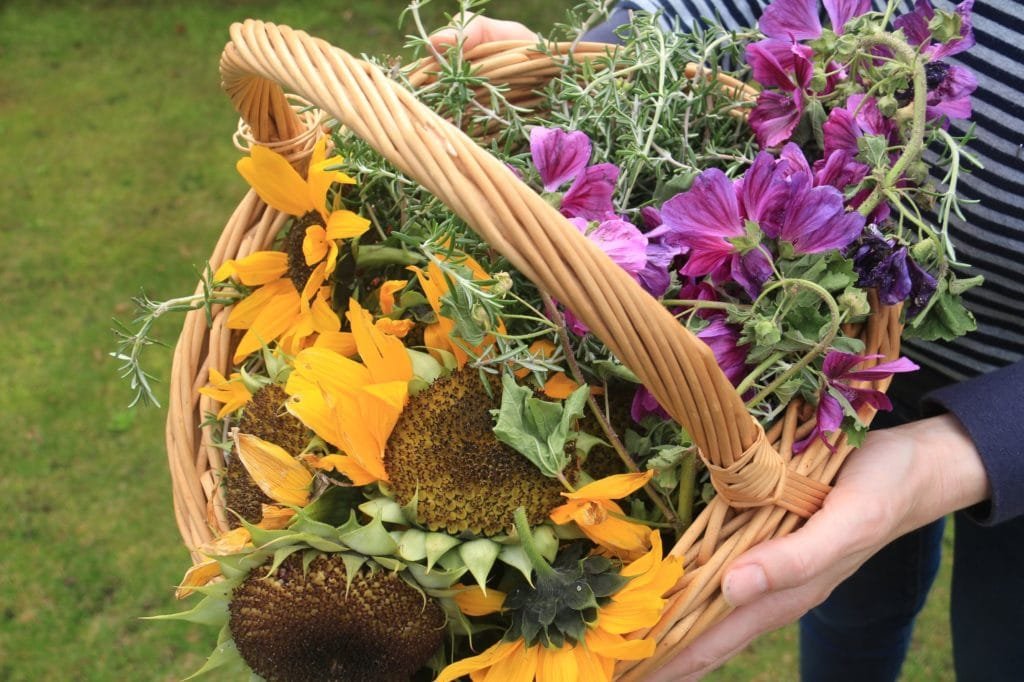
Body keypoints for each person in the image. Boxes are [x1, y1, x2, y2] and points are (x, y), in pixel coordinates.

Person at [432, 2, 1024, 680]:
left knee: (1004, 645)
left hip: (997, 407)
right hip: (820, 360)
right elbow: (709, 13)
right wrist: (589, 72)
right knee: (847, 611)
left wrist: (952, 456)